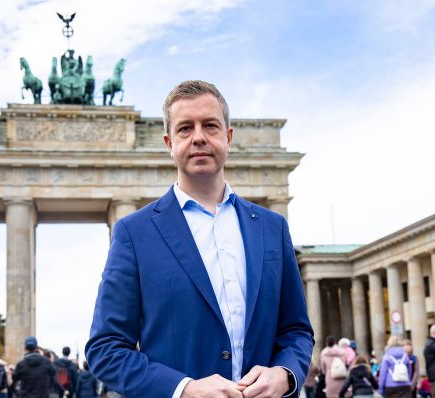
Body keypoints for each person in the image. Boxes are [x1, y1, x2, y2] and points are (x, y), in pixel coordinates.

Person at [85, 80, 314, 398]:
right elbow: (105, 348)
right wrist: (182, 389)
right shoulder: (134, 234)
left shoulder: (272, 227)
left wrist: (285, 374)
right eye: (185, 129)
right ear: (169, 142)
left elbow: (296, 330)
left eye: (210, 125)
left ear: (228, 137)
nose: (199, 138)